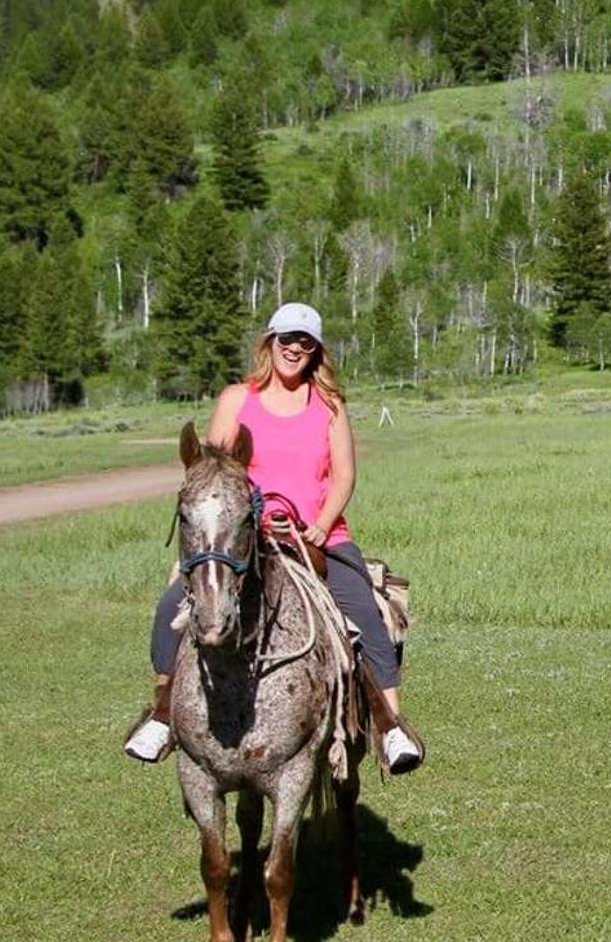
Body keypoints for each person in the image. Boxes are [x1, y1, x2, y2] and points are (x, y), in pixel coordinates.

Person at [125, 303, 424, 773]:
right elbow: (214, 474)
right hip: (245, 537)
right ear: (271, 341)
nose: (295, 349)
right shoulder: (236, 399)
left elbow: (345, 475)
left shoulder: (329, 404)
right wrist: (229, 532)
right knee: (171, 609)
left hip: (317, 537)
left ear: (316, 350)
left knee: (367, 614)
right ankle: (163, 714)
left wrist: (321, 525)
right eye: (287, 339)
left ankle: (392, 726)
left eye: (305, 342)